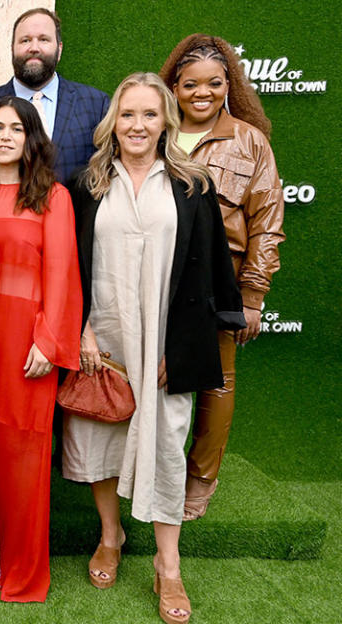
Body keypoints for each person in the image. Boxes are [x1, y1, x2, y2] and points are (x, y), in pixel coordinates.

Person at [62, 72, 245, 624]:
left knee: (165, 444)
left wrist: (185, 346)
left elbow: (212, 275)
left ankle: (169, 567)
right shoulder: (87, 184)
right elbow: (68, 266)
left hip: (167, 341)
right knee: (98, 433)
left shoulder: (193, 186)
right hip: (104, 337)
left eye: (148, 114)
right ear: (112, 123)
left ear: (166, 119)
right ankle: (111, 536)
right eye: (127, 114)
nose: (137, 125)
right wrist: (81, 331)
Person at [0, 96, 81, 603]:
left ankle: (21, 570)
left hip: (28, 345)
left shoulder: (53, 196)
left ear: (32, 139)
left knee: (24, 455)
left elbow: (63, 273)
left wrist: (49, 341)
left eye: (16, 128)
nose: (5, 136)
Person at [159, 34, 285, 521]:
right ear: (174, 86)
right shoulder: (157, 133)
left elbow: (268, 222)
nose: (202, 93)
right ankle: (152, 470)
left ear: (228, 84)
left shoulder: (250, 141)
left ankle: (202, 477)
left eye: (214, 83)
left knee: (218, 382)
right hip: (158, 276)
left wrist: (252, 295)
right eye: (190, 84)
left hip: (220, 281)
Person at [0, 8, 109, 183]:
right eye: (25, 40)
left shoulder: (95, 105)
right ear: (12, 49)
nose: (34, 48)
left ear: (59, 49)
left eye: (43, 39)